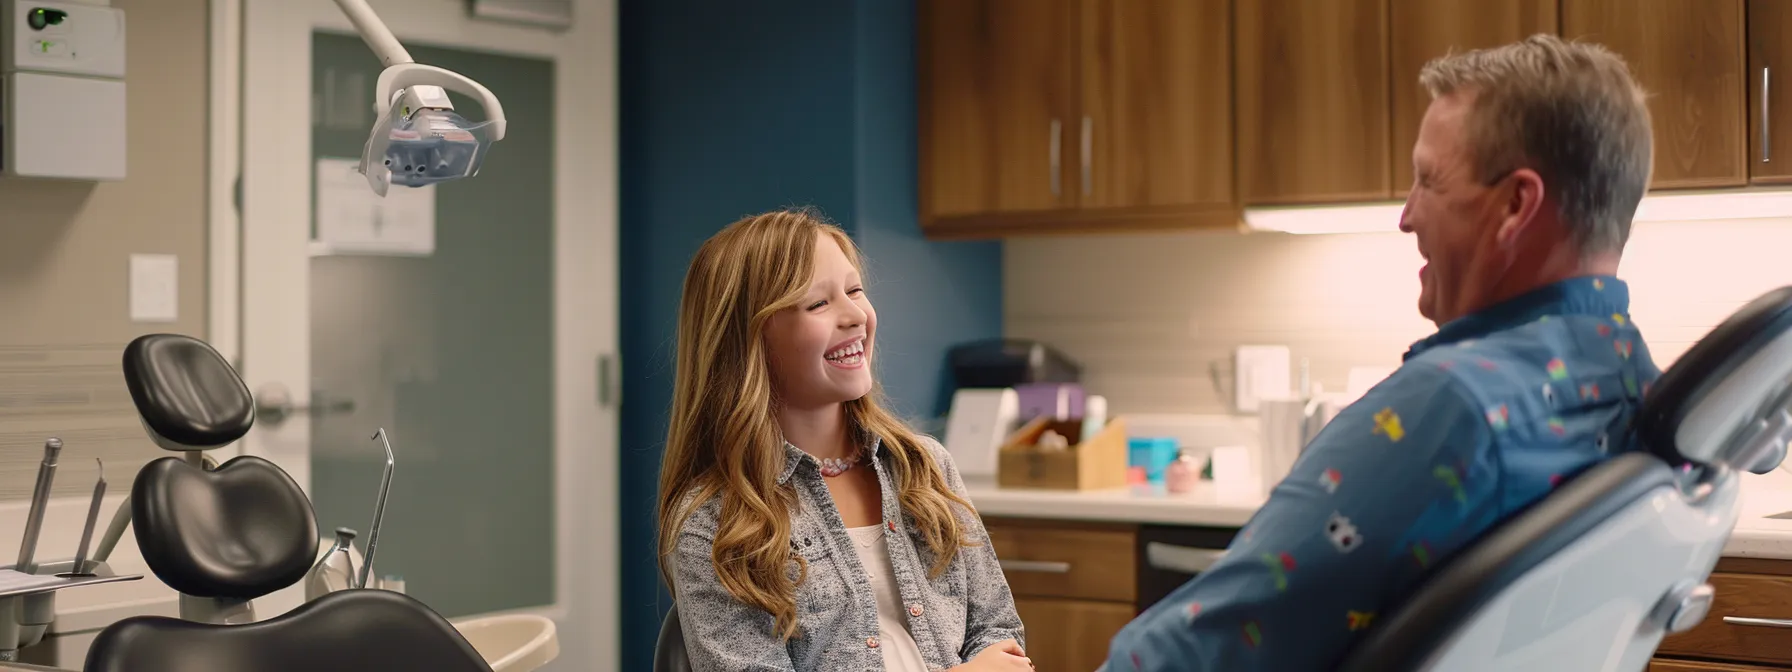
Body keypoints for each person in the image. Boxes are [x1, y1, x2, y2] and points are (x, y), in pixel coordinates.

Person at [1105, 34, 1662, 671]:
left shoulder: (1456, 409)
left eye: (1428, 180)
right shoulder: (1631, 385)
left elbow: (1198, 652)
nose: (1406, 215)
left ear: (1515, 205)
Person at [656, 208, 1031, 671]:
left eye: (855, 291)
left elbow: (997, 632)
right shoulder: (713, 523)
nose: (855, 315)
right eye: (818, 303)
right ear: (748, 342)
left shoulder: (924, 465)